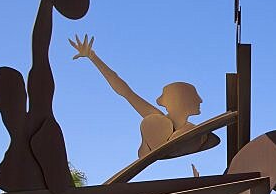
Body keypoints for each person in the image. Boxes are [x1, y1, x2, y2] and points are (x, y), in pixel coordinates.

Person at [69, 35, 219, 159]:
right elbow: (126, 92)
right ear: (181, 100)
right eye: (194, 96)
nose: (200, 100)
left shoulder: (197, 134)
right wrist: (93, 57)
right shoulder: (156, 121)